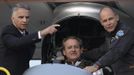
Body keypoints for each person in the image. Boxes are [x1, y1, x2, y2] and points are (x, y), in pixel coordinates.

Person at [0, 3, 60, 75]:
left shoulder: (27, 35)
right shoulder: (7, 30)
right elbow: (16, 43)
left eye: (27, 17)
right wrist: (42, 33)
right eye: (21, 17)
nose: (25, 20)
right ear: (13, 18)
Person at [84, 6, 134, 75]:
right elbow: (101, 51)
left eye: (110, 19)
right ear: (101, 23)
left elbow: (115, 51)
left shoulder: (125, 31)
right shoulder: (110, 35)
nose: (108, 23)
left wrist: (96, 66)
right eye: (105, 21)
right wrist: (82, 54)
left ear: (117, 17)